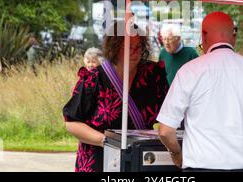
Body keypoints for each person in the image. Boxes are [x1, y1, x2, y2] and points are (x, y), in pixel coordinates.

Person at [157, 11, 243, 172]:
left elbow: (165, 131)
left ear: (204, 36)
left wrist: (176, 153)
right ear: (233, 36)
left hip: (201, 167)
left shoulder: (189, 72)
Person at [63, 21, 169, 172]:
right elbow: (72, 122)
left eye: (138, 47)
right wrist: (109, 142)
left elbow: (170, 112)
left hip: (140, 160)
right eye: (129, 47)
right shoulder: (94, 79)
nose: (135, 52)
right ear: (114, 48)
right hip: (99, 160)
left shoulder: (153, 75)